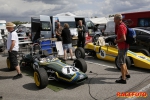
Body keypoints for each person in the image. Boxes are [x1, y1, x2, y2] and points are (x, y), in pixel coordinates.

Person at [114, 14, 130, 84]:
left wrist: (116, 41)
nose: (113, 20)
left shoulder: (121, 26)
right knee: (124, 61)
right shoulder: (124, 24)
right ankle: (127, 74)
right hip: (125, 46)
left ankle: (123, 79)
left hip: (122, 47)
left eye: (114, 19)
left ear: (118, 19)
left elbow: (124, 38)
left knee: (121, 63)